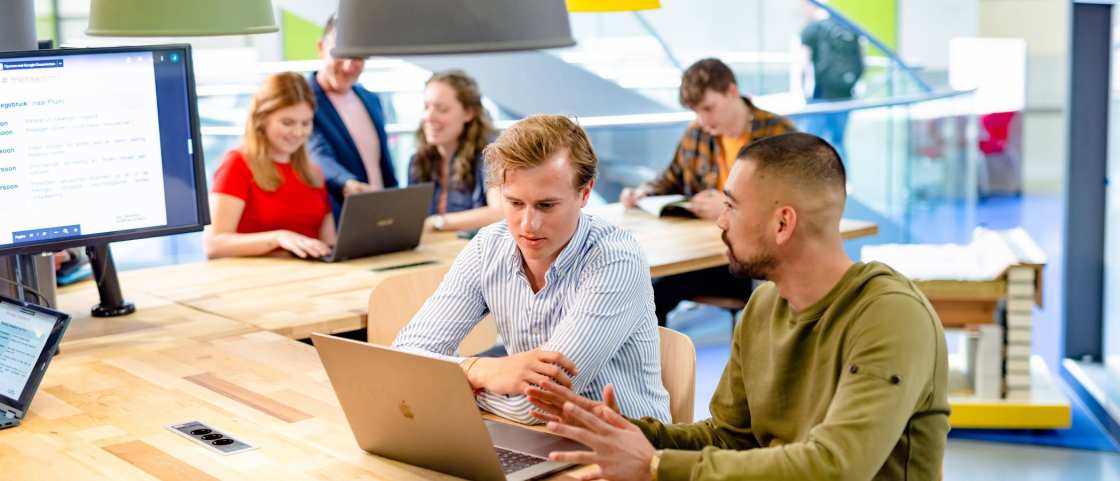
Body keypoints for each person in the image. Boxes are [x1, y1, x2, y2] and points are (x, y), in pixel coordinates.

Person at [529, 133, 950, 481]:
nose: (720, 222)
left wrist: (655, 465)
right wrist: (628, 434)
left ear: (782, 223)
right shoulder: (765, 303)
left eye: (730, 206)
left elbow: (836, 466)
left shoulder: (892, 316)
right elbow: (730, 438)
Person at [393, 115, 671, 425]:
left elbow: (541, 404)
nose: (528, 225)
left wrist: (456, 382)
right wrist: (483, 370)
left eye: (546, 205)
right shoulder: (488, 246)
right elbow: (405, 359)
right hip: (524, 436)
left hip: (622, 453)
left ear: (585, 193)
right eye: (514, 203)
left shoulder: (616, 260)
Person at [620, 58, 797, 326]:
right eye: (696, 111)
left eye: (708, 108)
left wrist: (732, 208)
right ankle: (652, 367)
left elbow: (794, 201)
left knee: (761, 300)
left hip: (759, 263)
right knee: (649, 294)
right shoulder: (697, 135)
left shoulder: (778, 134)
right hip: (711, 258)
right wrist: (642, 192)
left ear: (732, 92)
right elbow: (670, 180)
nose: (703, 120)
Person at [204, 72, 334, 259]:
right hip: (256, 281)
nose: (298, 132)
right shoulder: (237, 164)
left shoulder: (313, 172)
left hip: (310, 279)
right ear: (262, 119)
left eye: (306, 123)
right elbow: (214, 244)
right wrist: (277, 238)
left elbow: (329, 243)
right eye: (287, 122)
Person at [307, 13, 398, 221]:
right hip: (338, 216)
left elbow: (383, 164)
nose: (349, 66)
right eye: (341, 54)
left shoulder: (370, 99)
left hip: (379, 214)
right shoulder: (304, 101)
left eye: (358, 57)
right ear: (321, 48)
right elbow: (316, 153)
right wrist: (345, 182)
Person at [409, 70, 502, 232]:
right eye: (426, 107)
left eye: (442, 109)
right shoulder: (418, 160)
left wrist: (437, 222)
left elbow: (500, 212)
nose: (429, 117)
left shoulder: (490, 155)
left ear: (468, 113)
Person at [798, 0, 864, 162]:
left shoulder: (811, 29)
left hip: (820, 94)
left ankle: (812, 185)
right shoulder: (848, 26)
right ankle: (843, 183)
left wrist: (802, 93)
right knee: (838, 142)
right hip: (845, 93)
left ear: (811, 5)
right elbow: (862, 62)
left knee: (812, 144)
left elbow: (803, 65)